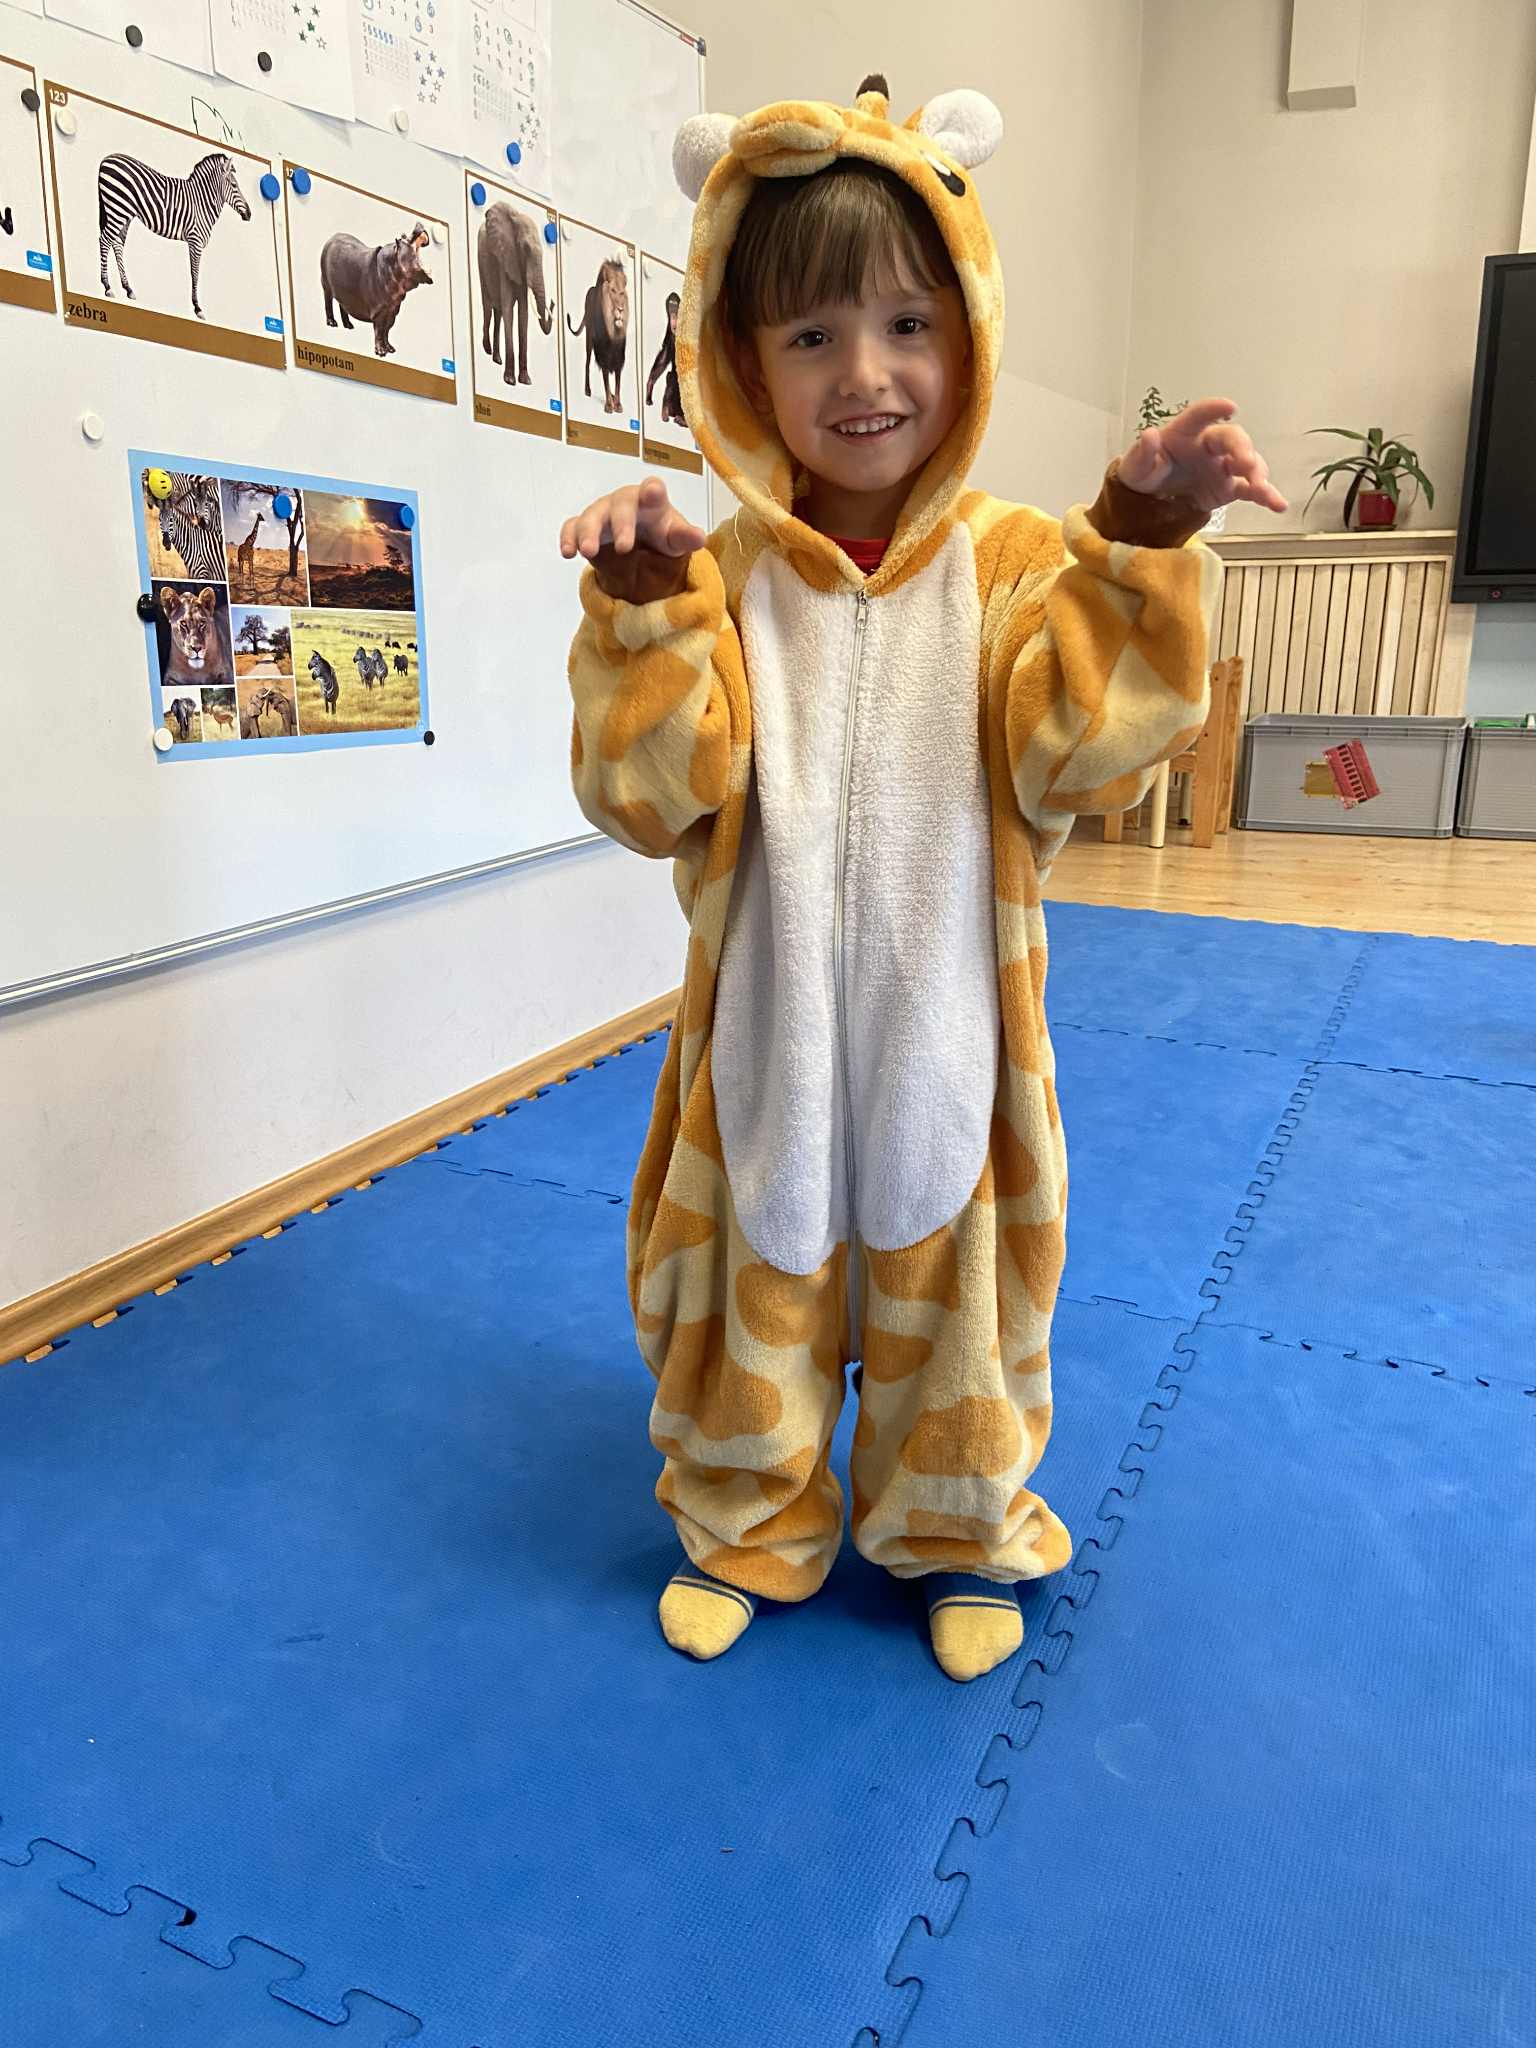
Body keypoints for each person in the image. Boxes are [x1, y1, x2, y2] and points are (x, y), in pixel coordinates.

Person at [558, 76, 1286, 1681]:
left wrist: (1140, 540)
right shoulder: (721, 574)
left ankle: (955, 1530)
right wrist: (645, 613)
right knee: (742, 1298)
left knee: (967, 1316)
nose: (866, 375)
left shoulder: (1016, 564)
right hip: (759, 1047)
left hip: (957, 1041)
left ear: (969, 336)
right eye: (812, 335)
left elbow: (1084, 748)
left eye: (907, 324)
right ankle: (748, 1515)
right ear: (740, 359)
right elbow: (652, 797)